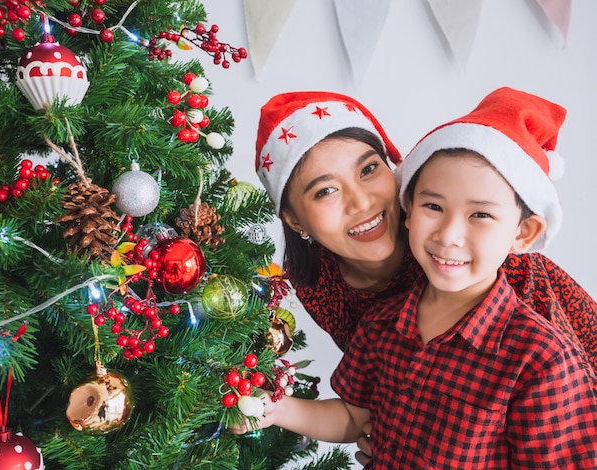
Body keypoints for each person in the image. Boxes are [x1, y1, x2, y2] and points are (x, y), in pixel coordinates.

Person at [238, 87, 597, 468]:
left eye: (369, 169)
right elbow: (363, 412)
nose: (448, 235)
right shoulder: (374, 318)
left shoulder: (535, 341)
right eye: (326, 190)